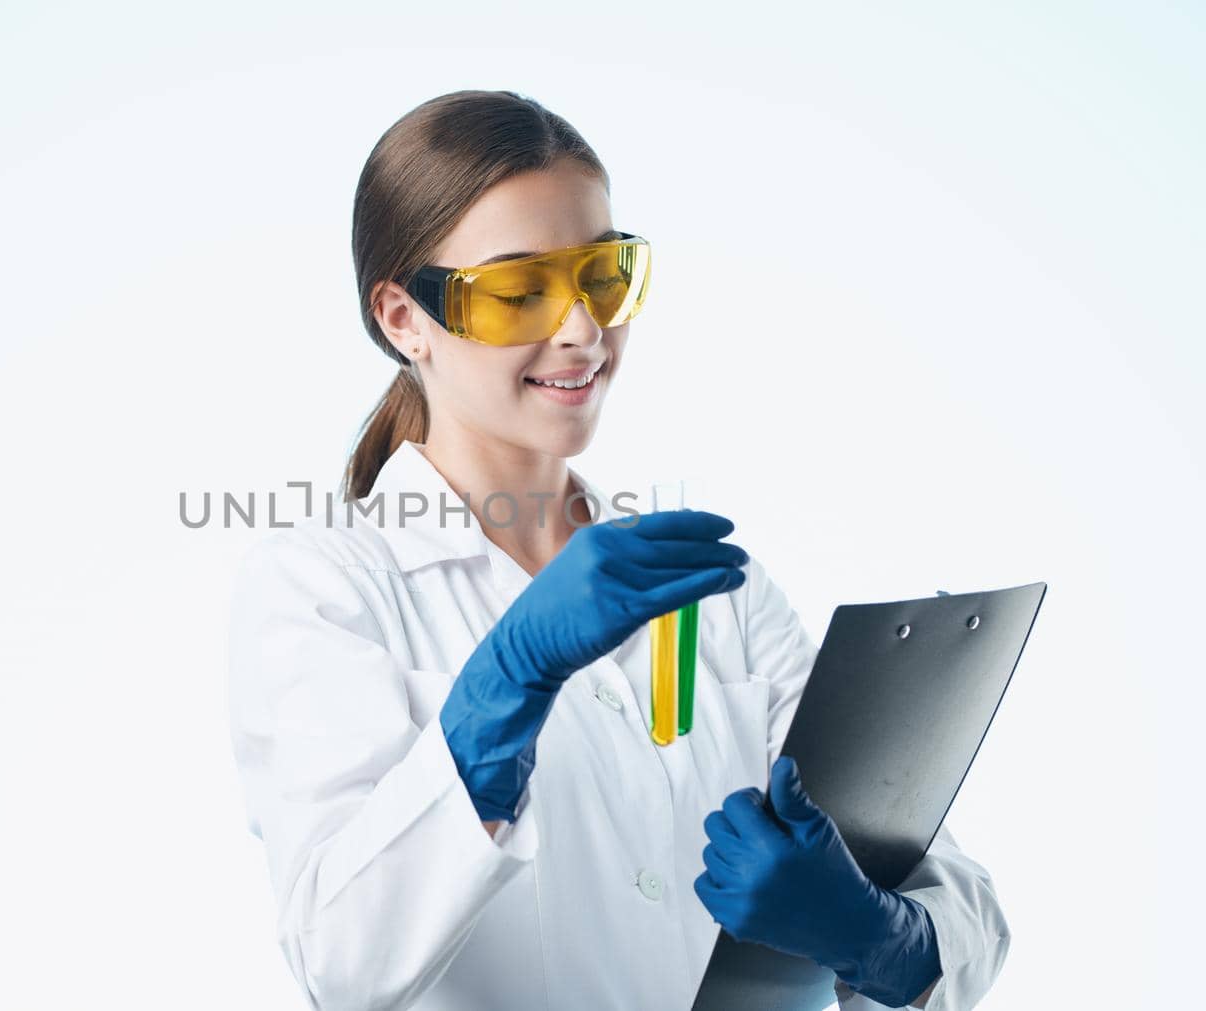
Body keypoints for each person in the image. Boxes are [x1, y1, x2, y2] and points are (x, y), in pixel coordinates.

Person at [225, 89, 1009, 1010]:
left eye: (602, 277)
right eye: (519, 291)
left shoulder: (719, 588)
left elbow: (960, 908)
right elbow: (342, 963)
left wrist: (878, 934)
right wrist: (500, 691)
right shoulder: (328, 587)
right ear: (403, 318)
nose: (580, 330)